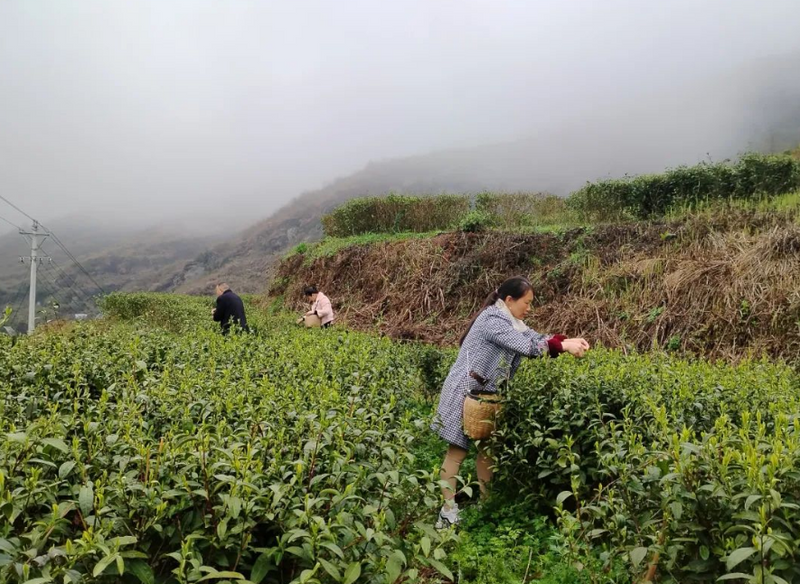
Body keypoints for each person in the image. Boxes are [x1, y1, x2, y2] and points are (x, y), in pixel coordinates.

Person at [432, 276, 589, 529]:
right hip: (464, 392)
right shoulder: (492, 320)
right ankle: (447, 511)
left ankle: (485, 503)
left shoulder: (513, 322)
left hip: (486, 396)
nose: (529, 308)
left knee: (487, 449)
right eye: (526, 303)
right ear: (509, 300)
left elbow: (537, 338)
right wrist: (563, 347)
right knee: (457, 452)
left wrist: (568, 341)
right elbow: (527, 347)